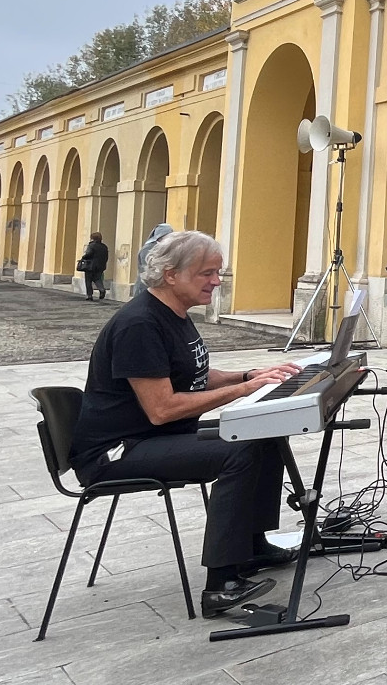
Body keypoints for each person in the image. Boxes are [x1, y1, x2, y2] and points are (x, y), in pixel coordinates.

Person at [67, 230, 305, 615]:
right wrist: (242, 392)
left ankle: (250, 546)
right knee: (239, 451)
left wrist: (248, 375)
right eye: (206, 273)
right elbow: (161, 408)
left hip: (154, 436)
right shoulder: (139, 325)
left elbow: (192, 375)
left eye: (218, 272)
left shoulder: (173, 314)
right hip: (119, 450)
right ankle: (221, 583)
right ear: (171, 274)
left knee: (262, 433)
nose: (216, 281)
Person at [79, 232, 109, 301]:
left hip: (90, 266)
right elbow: (106, 257)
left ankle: (89, 295)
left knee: (88, 280)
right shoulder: (104, 247)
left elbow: (88, 254)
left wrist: (83, 257)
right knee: (97, 279)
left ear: (93, 238)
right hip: (100, 266)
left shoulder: (92, 245)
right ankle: (102, 289)